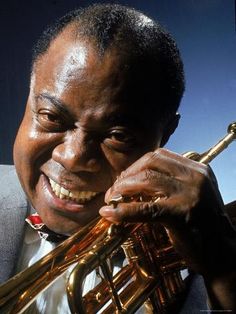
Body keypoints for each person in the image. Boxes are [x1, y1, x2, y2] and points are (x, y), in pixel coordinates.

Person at [0, 3, 235, 313]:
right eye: (51, 117)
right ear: (29, 95)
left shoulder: (215, 266)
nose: (73, 157)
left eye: (118, 136)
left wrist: (224, 273)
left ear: (165, 135)